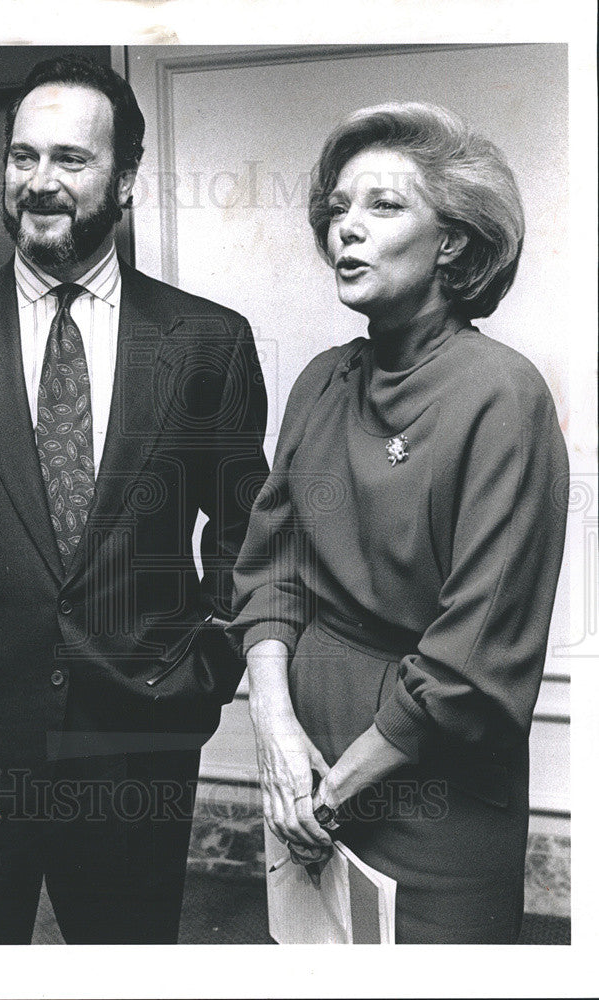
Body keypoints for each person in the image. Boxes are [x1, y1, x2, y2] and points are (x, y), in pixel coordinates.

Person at [0, 55, 268, 945]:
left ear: (125, 179)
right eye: (21, 157)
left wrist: (207, 671)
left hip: (138, 746)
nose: (39, 182)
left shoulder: (208, 344)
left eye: (70, 160)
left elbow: (250, 532)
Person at [231, 102, 568, 944]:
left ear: (452, 242)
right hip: (302, 758)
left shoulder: (503, 396)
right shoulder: (319, 381)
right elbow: (269, 568)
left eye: (383, 207)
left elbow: (472, 662)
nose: (346, 228)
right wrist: (275, 731)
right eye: (338, 208)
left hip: (431, 790)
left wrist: (333, 790)